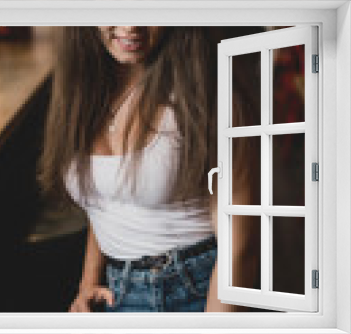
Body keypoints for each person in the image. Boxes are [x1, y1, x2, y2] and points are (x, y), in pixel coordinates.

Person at [37, 26, 261, 312]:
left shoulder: (211, 97)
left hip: (195, 293)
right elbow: (109, 196)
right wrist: (88, 281)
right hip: (114, 292)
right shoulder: (85, 92)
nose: (131, 24)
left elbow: (240, 251)